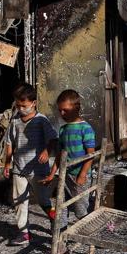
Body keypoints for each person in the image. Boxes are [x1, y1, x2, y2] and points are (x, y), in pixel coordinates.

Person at [3, 83, 58, 246]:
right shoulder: (15, 121)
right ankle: (24, 233)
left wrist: (47, 151)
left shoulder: (41, 120)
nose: (21, 109)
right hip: (19, 168)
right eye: (18, 105)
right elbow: (9, 143)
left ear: (33, 102)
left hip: (38, 169)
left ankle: (56, 223)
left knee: (44, 200)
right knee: (19, 202)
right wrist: (7, 164)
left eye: (24, 105)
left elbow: (53, 139)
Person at [43, 89, 96, 229]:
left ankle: (90, 231)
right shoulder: (63, 129)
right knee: (60, 208)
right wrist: (51, 174)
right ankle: (61, 242)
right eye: (60, 110)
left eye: (65, 110)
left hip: (79, 176)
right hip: (64, 176)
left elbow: (91, 154)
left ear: (76, 108)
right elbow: (60, 155)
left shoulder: (86, 129)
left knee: (80, 210)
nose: (62, 114)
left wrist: (83, 174)